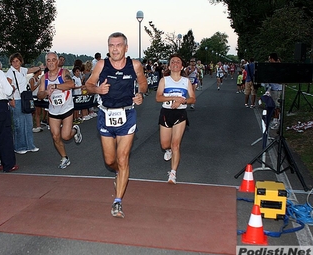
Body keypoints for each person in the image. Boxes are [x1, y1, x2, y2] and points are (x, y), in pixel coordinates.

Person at [85, 32, 148, 218]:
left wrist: (140, 94)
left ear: (126, 48)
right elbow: (88, 84)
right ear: (108, 48)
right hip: (106, 115)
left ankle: (117, 202)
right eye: (111, 45)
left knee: (122, 159)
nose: (115, 48)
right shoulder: (101, 64)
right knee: (110, 161)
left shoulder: (134, 65)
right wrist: (97, 89)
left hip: (127, 114)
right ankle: (119, 175)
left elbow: (143, 83)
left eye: (118, 45)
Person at [37, 52, 82, 169]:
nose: (51, 63)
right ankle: (64, 158)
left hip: (66, 108)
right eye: (48, 61)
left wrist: (56, 86)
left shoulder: (64, 73)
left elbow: (71, 84)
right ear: (46, 63)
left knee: (66, 136)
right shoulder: (44, 78)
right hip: (53, 111)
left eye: (53, 60)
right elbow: (39, 95)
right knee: (56, 136)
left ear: (57, 62)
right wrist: (46, 92)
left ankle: (75, 130)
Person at [156, 54, 196, 184]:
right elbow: (158, 98)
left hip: (180, 114)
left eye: (177, 62)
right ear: (169, 66)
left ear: (181, 66)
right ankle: (168, 150)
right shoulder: (164, 80)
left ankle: (172, 174)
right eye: (172, 61)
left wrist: (182, 102)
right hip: (166, 113)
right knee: (165, 144)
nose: (175, 63)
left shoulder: (186, 81)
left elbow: (193, 99)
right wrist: (173, 99)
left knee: (176, 144)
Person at [6, 53, 40, 154]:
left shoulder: (22, 70)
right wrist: (10, 98)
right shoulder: (10, 72)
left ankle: (30, 145)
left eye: (17, 61)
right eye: (13, 61)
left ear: (20, 61)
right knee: (19, 124)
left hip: (24, 99)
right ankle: (19, 146)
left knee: (28, 122)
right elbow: (7, 87)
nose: (15, 63)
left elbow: (31, 70)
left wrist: (40, 67)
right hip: (16, 99)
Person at [267, 53, 282, 130]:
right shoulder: (274, 67)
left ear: (272, 59)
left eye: (270, 59)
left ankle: (276, 121)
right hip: (273, 88)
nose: (269, 60)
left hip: (276, 89)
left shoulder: (278, 67)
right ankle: (275, 118)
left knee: (276, 105)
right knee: (274, 104)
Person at [30, 67, 44, 133]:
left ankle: (38, 126)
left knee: (38, 112)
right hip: (32, 98)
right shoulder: (32, 79)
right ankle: (31, 126)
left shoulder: (38, 79)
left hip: (38, 97)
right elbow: (32, 89)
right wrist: (38, 83)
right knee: (32, 113)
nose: (41, 72)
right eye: (40, 71)